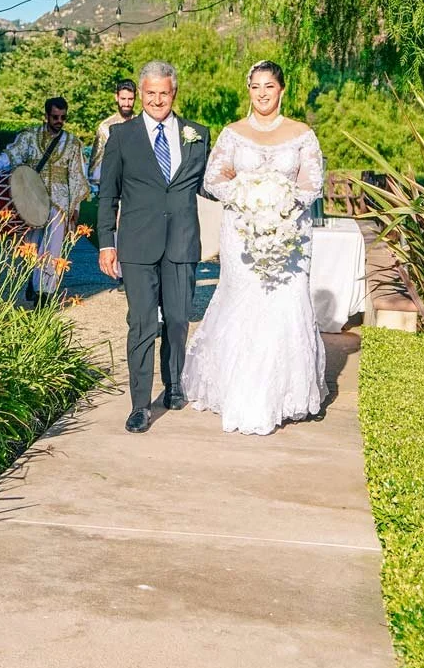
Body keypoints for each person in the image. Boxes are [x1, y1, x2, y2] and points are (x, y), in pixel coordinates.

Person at [184, 61, 328, 435]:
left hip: (288, 235)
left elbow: (311, 186)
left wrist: (278, 201)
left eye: (269, 86)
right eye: (255, 87)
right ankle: (238, 390)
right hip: (242, 234)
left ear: (282, 90)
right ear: (248, 90)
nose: (262, 93)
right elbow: (213, 178)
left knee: (284, 304)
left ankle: (283, 397)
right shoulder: (233, 134)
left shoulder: (302, 134)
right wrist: (248, 196)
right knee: (241, 301)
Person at [96, 61, 210, 433]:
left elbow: (211, 185)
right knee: (142, 324)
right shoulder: (121, 136)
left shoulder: (198, 133)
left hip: (181, 242)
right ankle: (140, 404)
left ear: (173, 93)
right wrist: (105, 245)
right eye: (150, 93)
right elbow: (108, 195)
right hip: (137, 245)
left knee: (178, 321)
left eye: (164, 92)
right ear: (141, 95)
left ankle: (174, 383)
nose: (157, 99)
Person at [0, 96, 90, 303]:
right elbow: (13, 154)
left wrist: (75, 208)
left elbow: (76, 176)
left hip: (60, 203)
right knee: (32, 245)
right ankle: (32, 279)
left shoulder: (73, 143)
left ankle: (45, 292)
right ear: (46, 116)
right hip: (32, 199)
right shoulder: (29, 136)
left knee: (53, 248)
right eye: (55, 116)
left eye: (63, 117)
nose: (59, 121)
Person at [89, 79, 137, 183]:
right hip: (113, 186)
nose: (127, 103)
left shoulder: (143, 124)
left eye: (130, 99)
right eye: (123, 99)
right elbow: (96, 162)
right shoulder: (105, 127)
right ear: (116, 97)